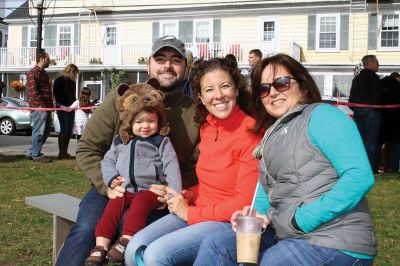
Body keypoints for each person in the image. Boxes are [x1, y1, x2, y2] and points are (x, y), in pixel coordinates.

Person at [194, 53, 377, 266]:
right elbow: (264, 192)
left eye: (281, 83)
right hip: (289, 232)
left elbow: (359, 177)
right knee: (217, 246)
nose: (272, 92)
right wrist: (256, 216)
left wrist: (301, 220)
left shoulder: (322, 115)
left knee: (272, 262)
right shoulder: (271, 135)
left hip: (336, 239)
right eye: (264, 88)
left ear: (303, 85)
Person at [55, 35, 200, 266]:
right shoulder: (122, 98)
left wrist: (173, 190)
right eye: (160, 58)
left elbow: (199, 165)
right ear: (148, 64)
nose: (167, 66)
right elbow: (88, 148)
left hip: (155, 197)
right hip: (113, 190)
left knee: (134, 236)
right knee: (86, 229)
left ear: (186, 68)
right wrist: (108, 184)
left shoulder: (194, 111)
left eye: (176, 60)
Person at [124, 58, 262, 266]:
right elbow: (211, 184)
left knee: (155, 256)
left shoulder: (251, 133)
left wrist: (190, 213)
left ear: (237, 90)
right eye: (209, 90)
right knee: (134, 248)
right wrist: (188, 194)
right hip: (197, 209)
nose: (218, 96)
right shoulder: (207, 127)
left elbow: (245, 202)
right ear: (200, 96)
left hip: (227, 221)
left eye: (225, 86)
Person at [84, 82, 182, 265]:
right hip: (125, 189)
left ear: (158, 120)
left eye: (151, 121)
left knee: (141, 204)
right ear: (129, 121)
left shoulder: (161, 142)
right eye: (139, 122)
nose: (145, 126)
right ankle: (100, 247)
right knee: (112, 208)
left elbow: (171, 167)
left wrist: (172, 194)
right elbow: (107, 161)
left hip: (150, 190)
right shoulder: (121, 141)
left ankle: (126, 240)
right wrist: (111, 179)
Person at [349, 55, 382, 173]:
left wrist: (356, 109)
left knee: (360, 141)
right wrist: (378, 110)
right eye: (377, 62)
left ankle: (359, 168)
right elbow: (377, 96)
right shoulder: (374, 77)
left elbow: (351, 98)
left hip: (358, 111)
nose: (379, 65)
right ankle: (370, 169)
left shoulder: (356, 78)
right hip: (371, 111)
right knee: (371, 141)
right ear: (371, 62)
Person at [25, 50, 53, 162]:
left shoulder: (45, 74)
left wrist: (50, 107)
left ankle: (32, 152)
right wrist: (41, 106)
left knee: (46, 131)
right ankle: (36, 155)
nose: (49, 61)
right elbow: (33, 91)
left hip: (47, 107)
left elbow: (48, 92)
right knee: (39, 130)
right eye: (48, 59)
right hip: (38, 107)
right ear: (41, 59)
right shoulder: (33, 73)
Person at [53, 64, 79, 159]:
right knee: (64, 130)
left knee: (69, 130)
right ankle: (61, 153)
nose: (75, 75)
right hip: (62, 107)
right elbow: (56, 95)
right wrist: (60, 105)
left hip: (71, 108)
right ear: (70, 71)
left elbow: (72, 95)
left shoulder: (72, 82)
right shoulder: (59, 81)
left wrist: (75, 102)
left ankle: (65, 152)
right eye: (75, 73)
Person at [379, 72, 400, 173]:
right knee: (395, 144)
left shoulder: (380, 83)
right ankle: (394, 168)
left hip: (381, 119)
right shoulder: (397, 86)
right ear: (397, 78)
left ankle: (380, 166)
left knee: (381, 144)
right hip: (395, 120)